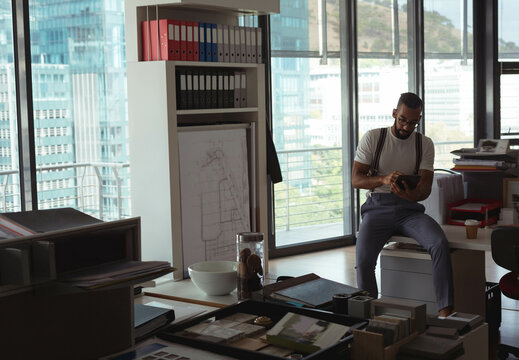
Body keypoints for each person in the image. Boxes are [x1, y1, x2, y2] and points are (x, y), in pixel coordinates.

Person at [351, 92, 454, 317]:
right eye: (403, 120)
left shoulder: (424, 144)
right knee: (364, 261)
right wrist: (383, 179)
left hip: (410, 211)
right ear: (395, 113)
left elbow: (425, 189)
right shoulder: (374, 138)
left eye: (413, 123)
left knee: (438, 243)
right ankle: (369, 317)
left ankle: (446, 314)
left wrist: (409, 195)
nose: (407, 127)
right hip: (378, 207)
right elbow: (356, 180)